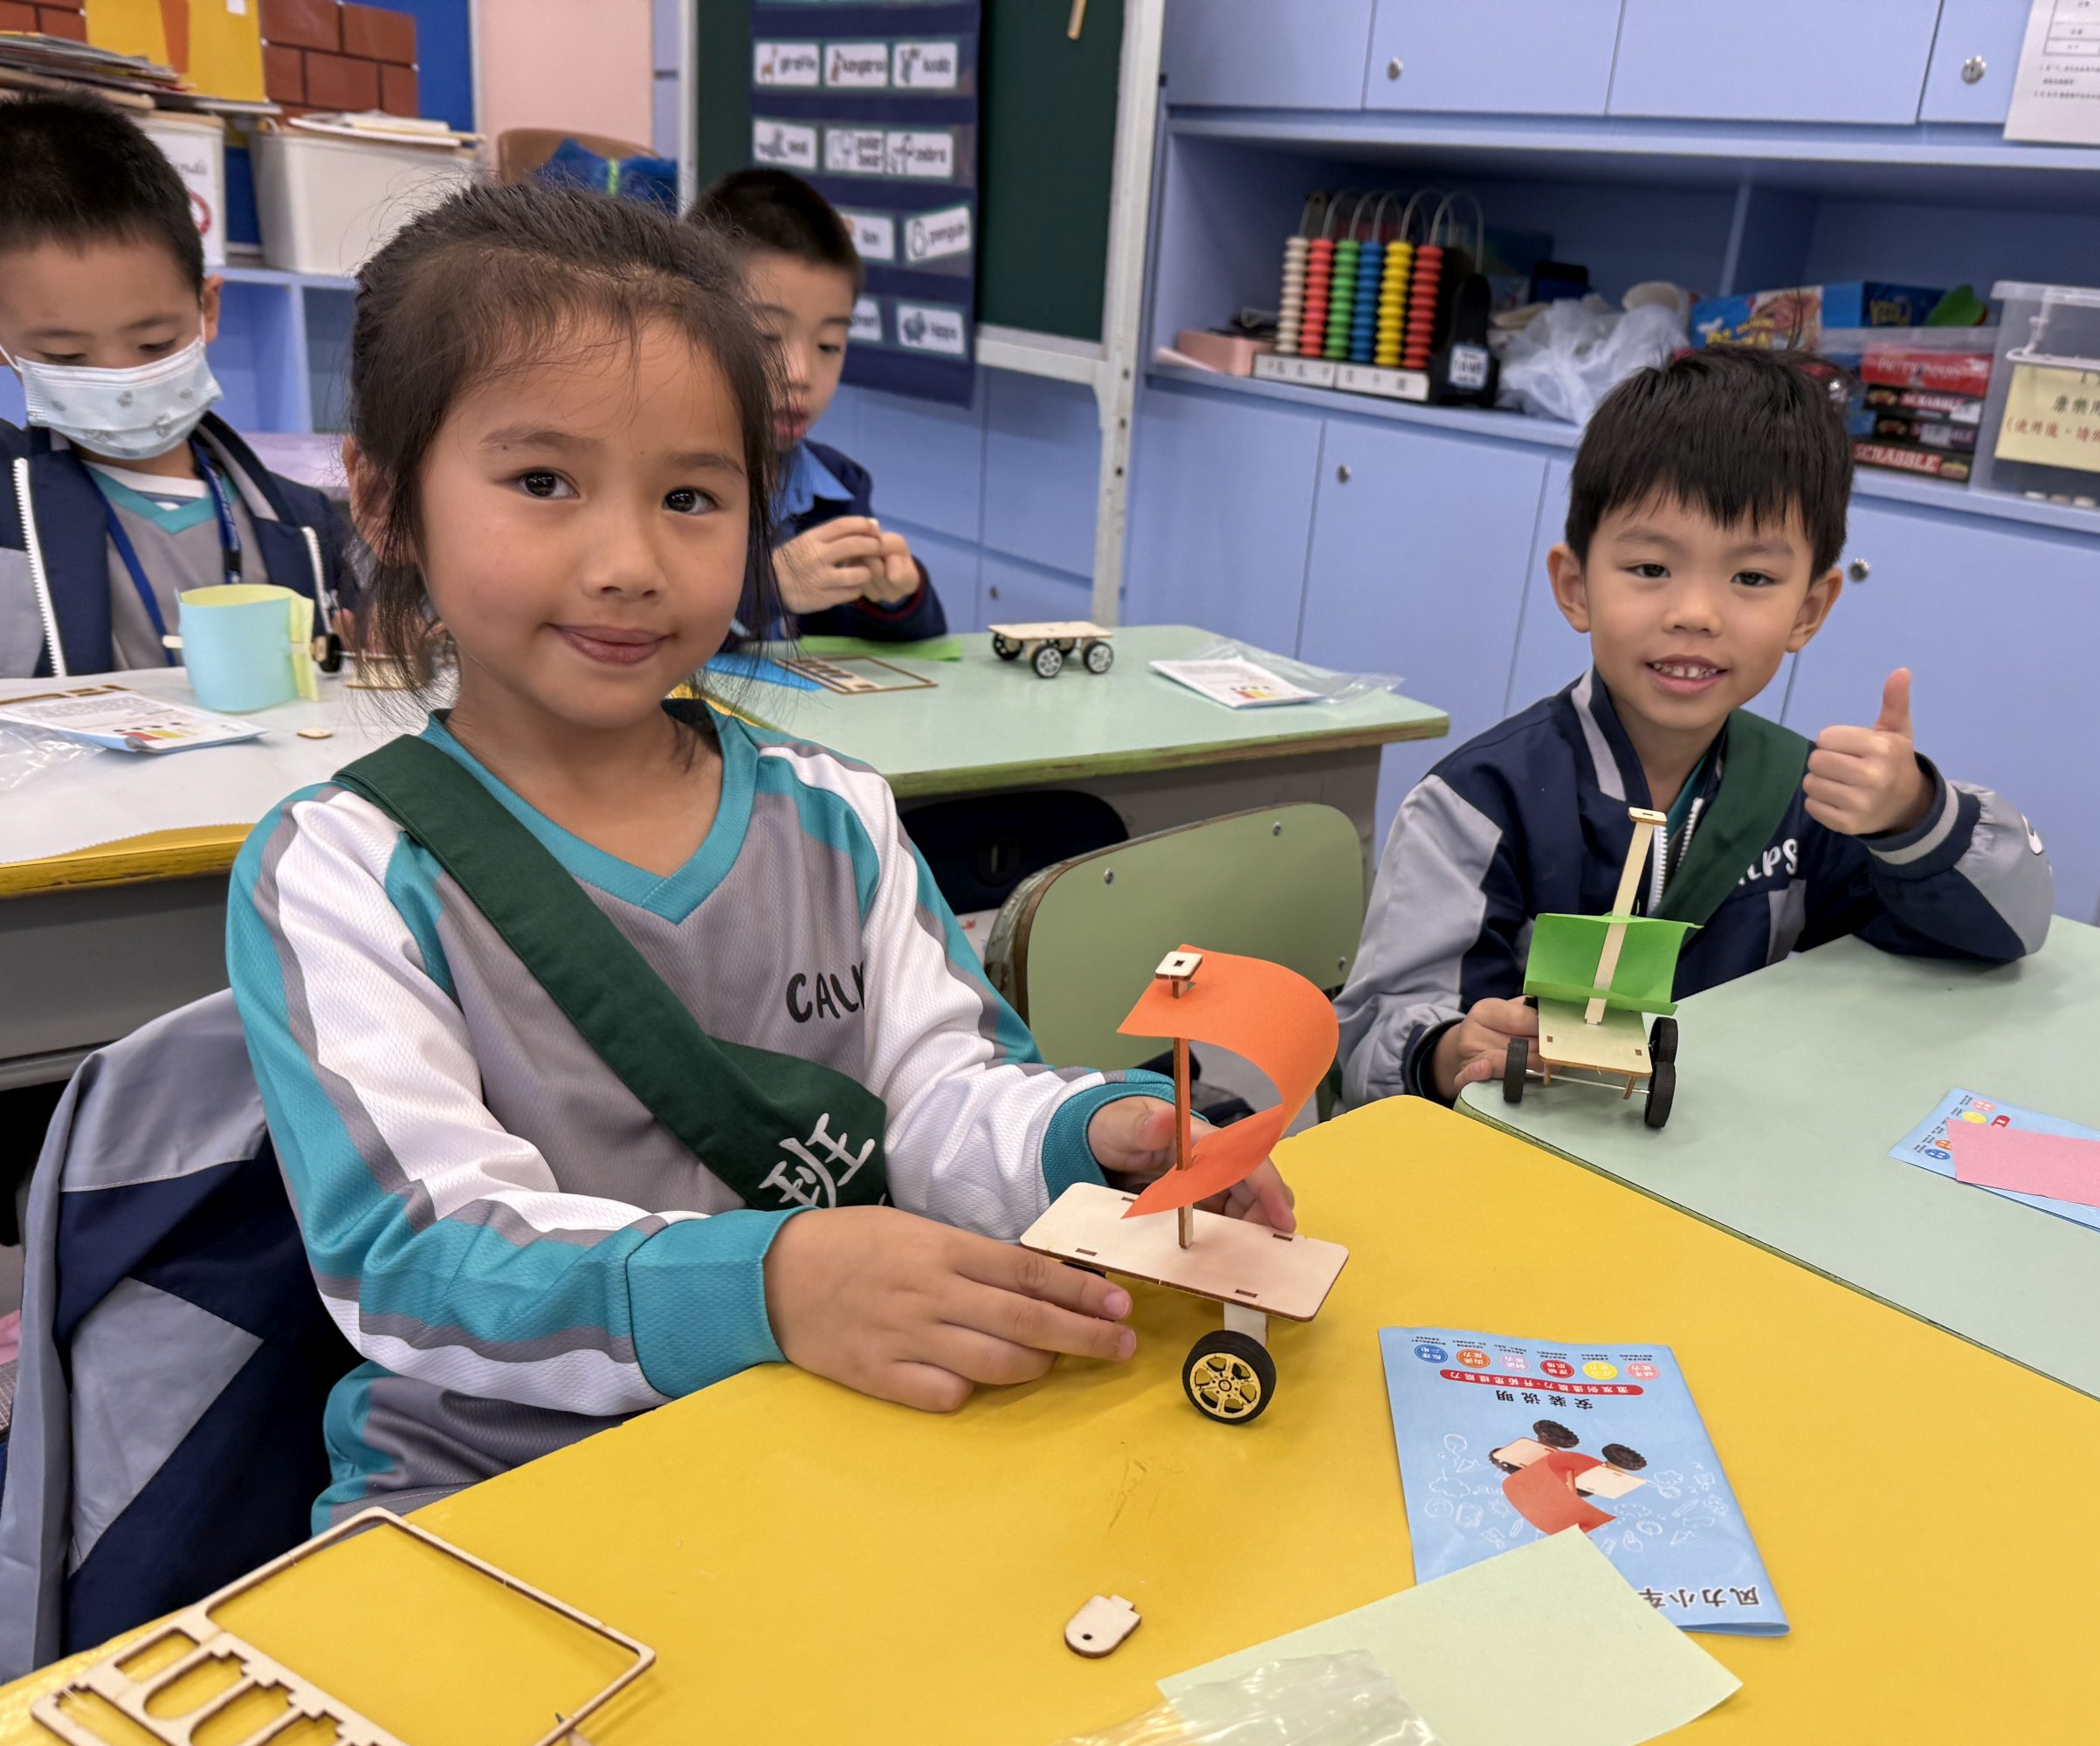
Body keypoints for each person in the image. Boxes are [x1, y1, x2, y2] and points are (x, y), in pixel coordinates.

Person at [225, 183, 1281, 1523]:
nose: (629, 561)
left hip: (827, 1432)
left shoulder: (834, 813)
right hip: (494, 1481)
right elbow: (413, 1255)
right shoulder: (341, 867)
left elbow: (941, 1099)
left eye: (690, 495)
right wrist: (769, 1284)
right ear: (384, 498)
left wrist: (1087, 1139)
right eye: (543, 482)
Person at [1336, 346, 2054, 1107]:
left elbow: (2003, 935)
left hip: (1719, 1152)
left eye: (1752, 578)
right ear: (1575, 587)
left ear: (1808, 611)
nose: (1696, 614)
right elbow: (1371, 1040)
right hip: (1513, 1152)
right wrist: (1446, 1051)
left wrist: (1915, 817)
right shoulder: (1481, 802)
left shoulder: (1809, 800)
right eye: (1651, 569)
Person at [0, 94, 355, 677]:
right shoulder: (7, 507)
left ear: (206, 310)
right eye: (66, 355)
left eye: (155, 344)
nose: (120, 378)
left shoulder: (306, 524)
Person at [689, 166, 942, 643]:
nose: (800, 374)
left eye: (829, 345)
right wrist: (766, 590)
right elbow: (640, 625)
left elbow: (907, 645)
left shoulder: (839, 488)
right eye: (767, 337)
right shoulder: (658, 485)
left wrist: (895, 598)